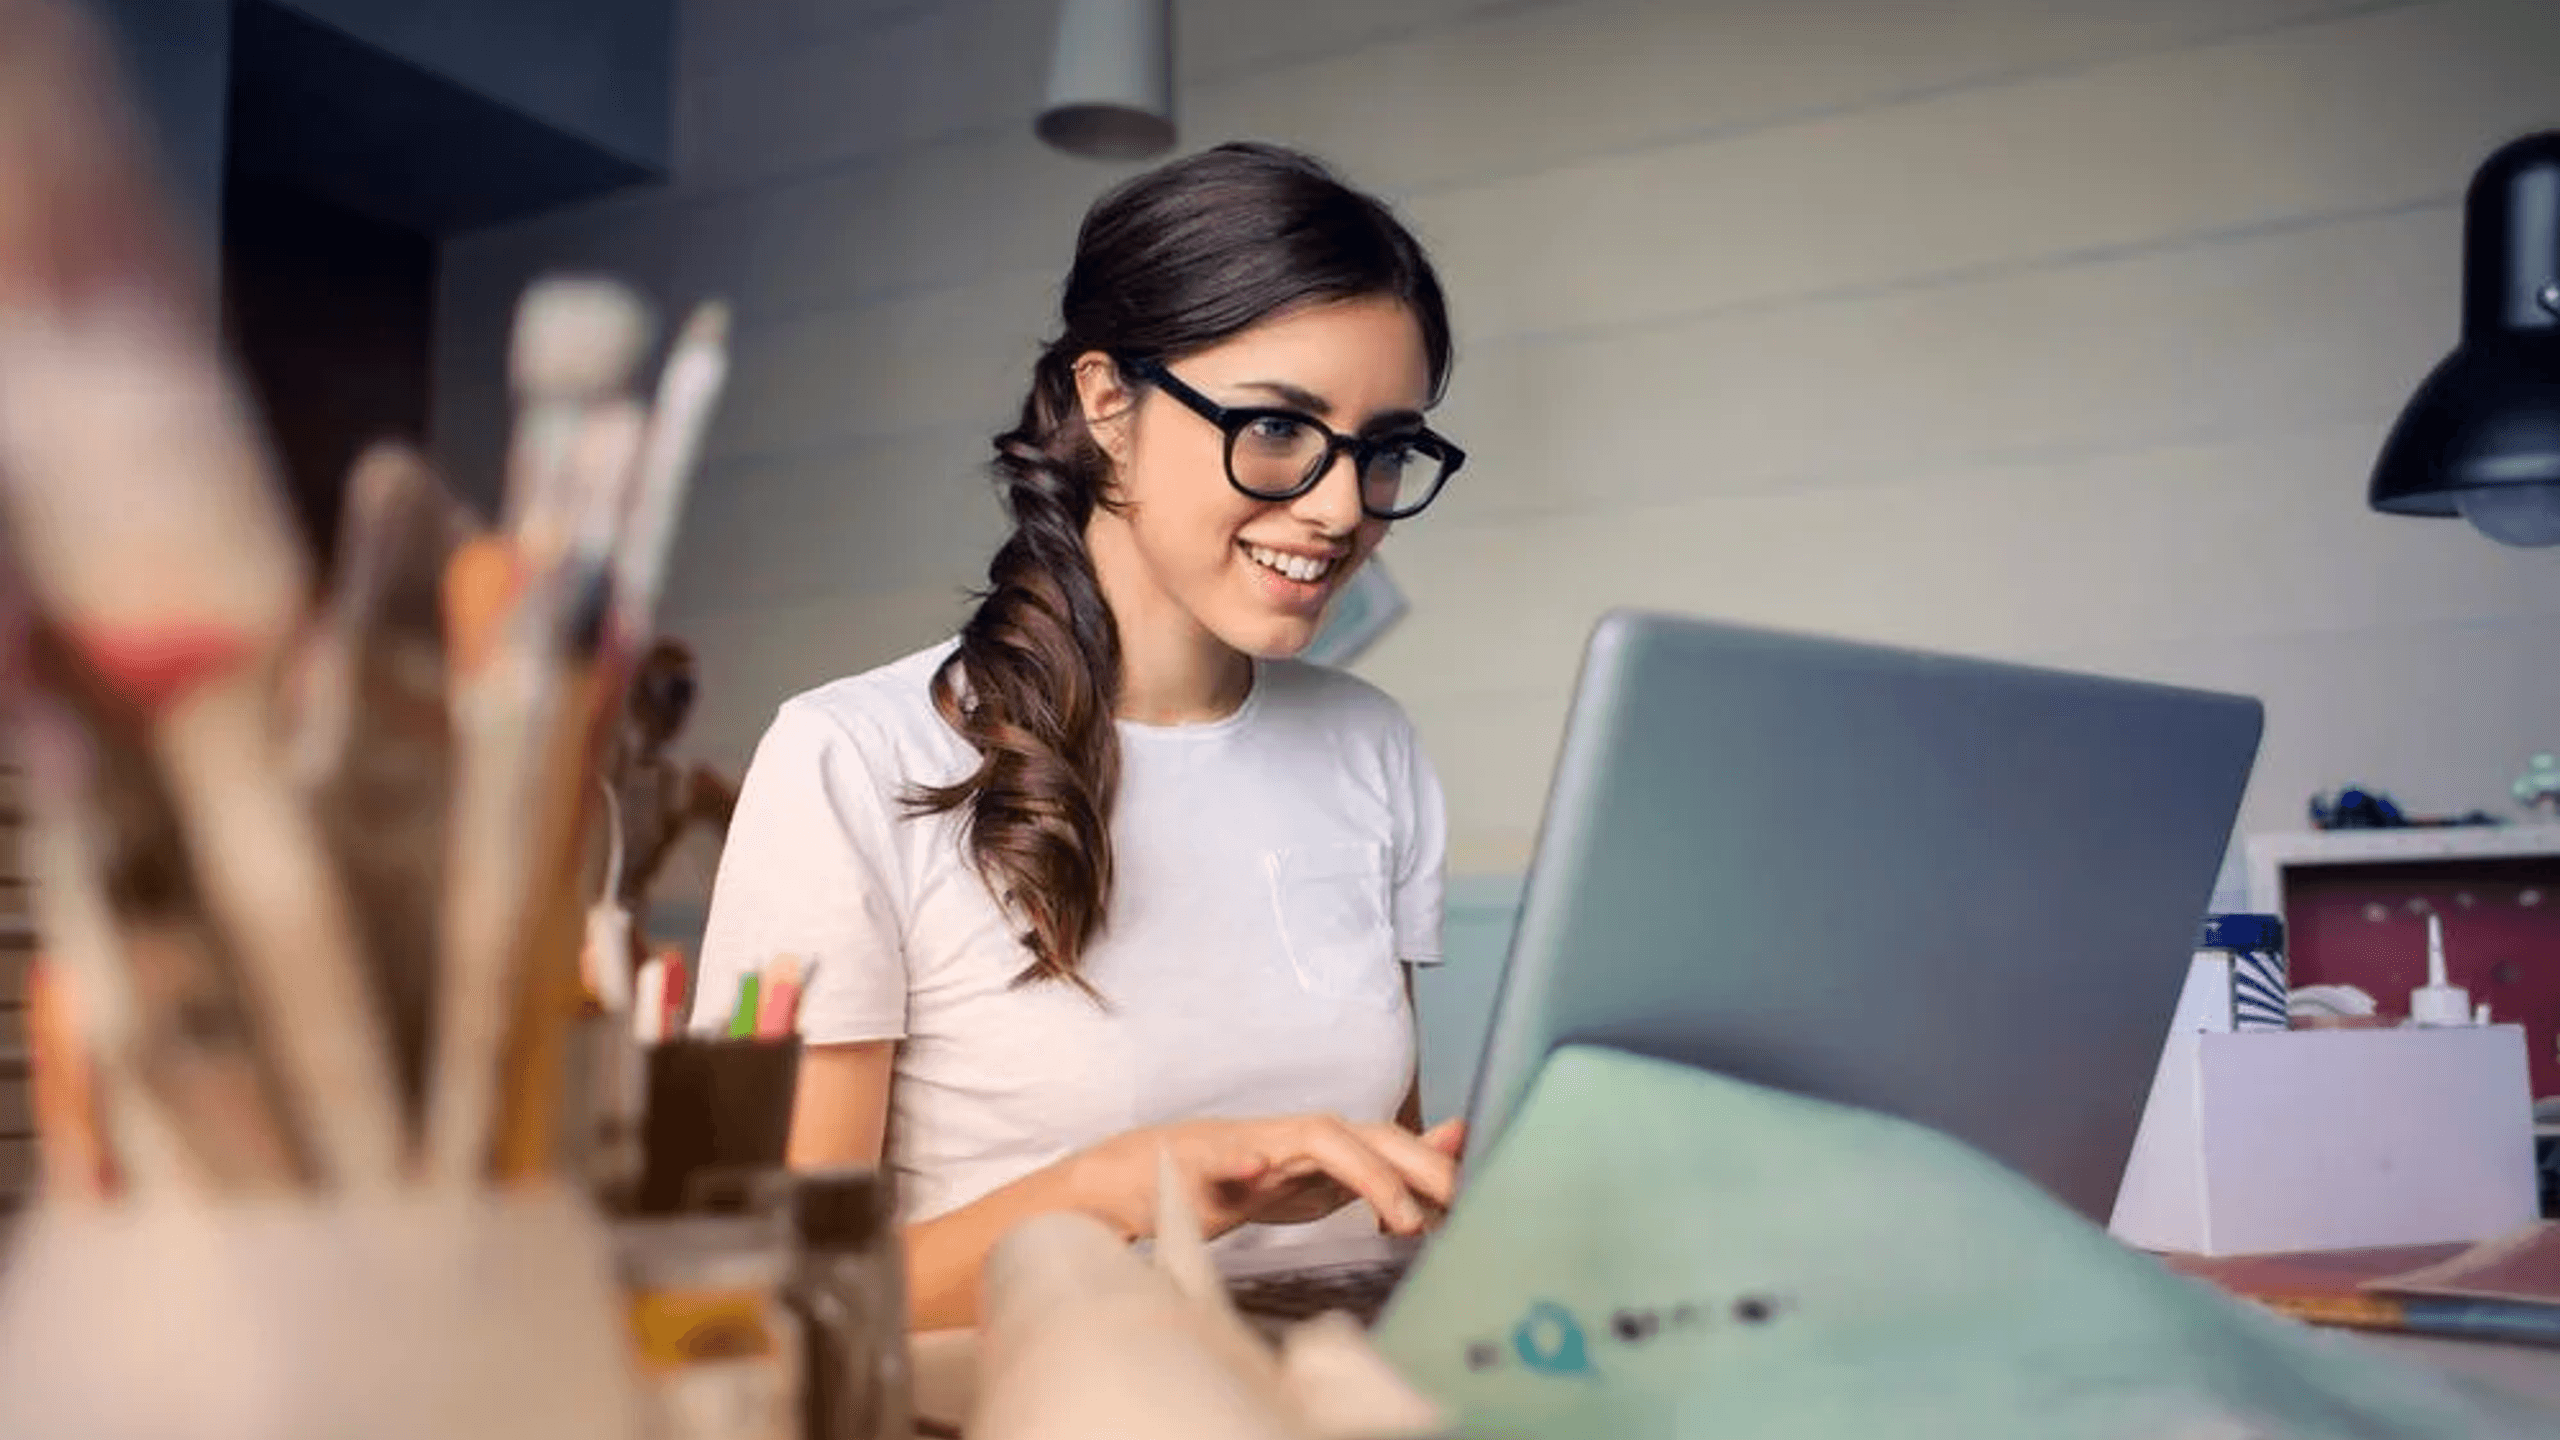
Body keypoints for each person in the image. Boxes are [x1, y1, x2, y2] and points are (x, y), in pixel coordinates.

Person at [692, 142, 1470, 1329]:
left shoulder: (1371, 746)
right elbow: (775, 1296)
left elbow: (1388, 1188)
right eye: (1276, 429)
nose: (1339, 506)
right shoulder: (849, 759)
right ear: (1109, 402)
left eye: (1385, 448)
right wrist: (1116, 1194)